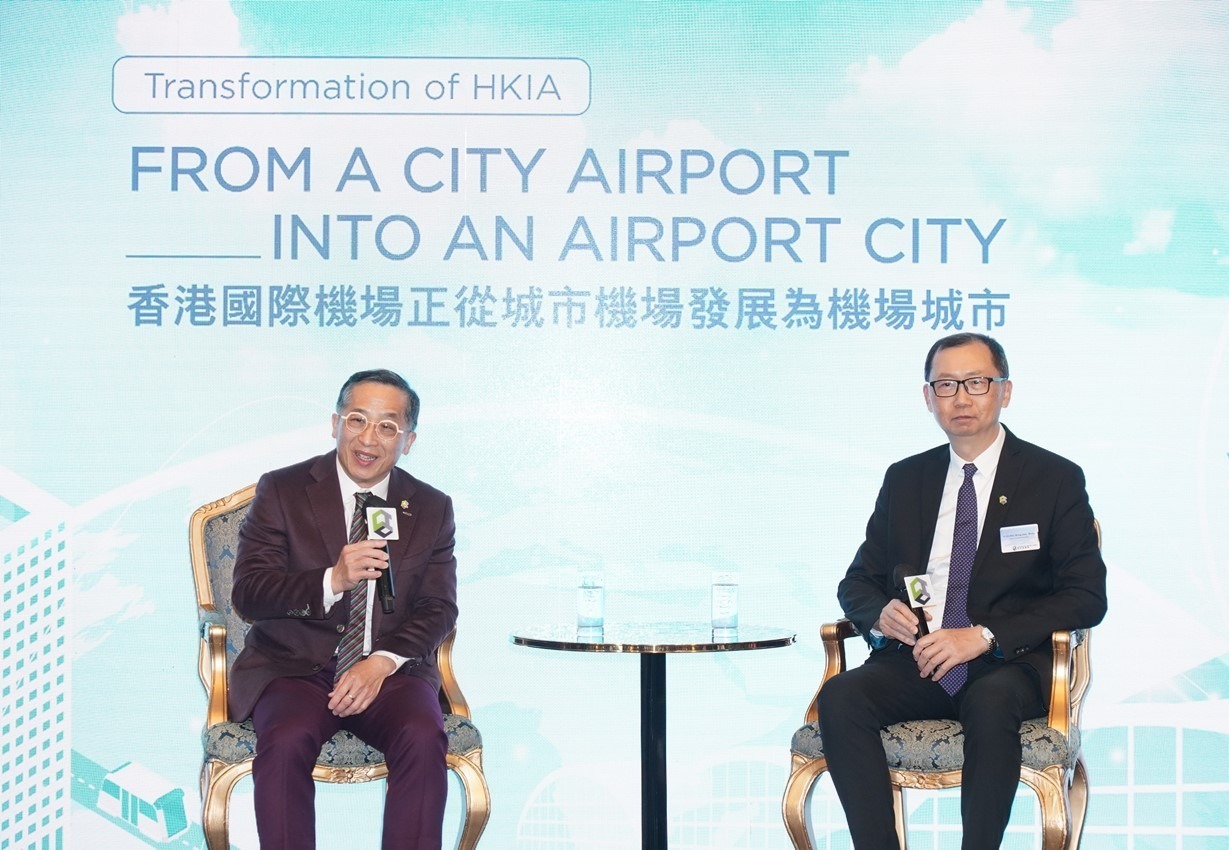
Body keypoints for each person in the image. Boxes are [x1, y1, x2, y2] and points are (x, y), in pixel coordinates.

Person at [818, 333, 1107, 849]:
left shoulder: (1053, 478)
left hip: (1010, 663)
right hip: (920, 659)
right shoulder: (906, 479)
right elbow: (857, 580)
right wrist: (879, 613)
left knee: (992, 699)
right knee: (841, 696)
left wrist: (984, 635)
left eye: (976, 382)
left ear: (1005, 391)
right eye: (946, 385)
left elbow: (1086, 595)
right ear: (928, 398)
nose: (961, 398)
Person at [230, 368, 458, 849]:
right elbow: (249, 593)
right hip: (294, 667)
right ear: (335, 424)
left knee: (422, 736)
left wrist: (382, 662)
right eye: (357, 420)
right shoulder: (283, 490)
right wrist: (332, 580)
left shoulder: (431, 507)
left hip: (390, 671)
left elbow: (439, 608)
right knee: (286, 739)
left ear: (409, 441)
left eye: (387, 426)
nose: (368, 439)